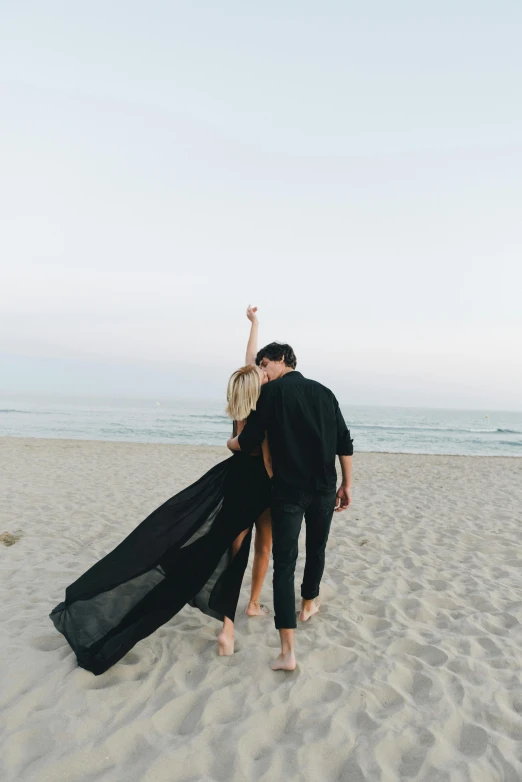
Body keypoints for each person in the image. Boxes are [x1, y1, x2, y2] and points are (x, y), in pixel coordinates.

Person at [50, 308, 273, 674]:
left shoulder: (242, 399)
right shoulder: (264, 407)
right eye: (262, 370)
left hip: (230, 480)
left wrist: (254, 326)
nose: (263, 369)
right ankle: (228, 630)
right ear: (257, 383)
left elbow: (247, 364)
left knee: (215, 549)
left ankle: (216, 613)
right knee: (232, 554)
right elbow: (263, 454)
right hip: (254, 487)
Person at [227, 342, 353, 671]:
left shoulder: (271, 394)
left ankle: (288, 653)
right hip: (325, 488)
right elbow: (344, 440)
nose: (262, 371)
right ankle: (309, 603)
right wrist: (347, 484)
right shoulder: (325, 392)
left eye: (265, 364)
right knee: (317, 548)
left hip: (287, 492)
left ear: (283, 359)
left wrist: (232, 441)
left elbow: (250, 441)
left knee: (284, 565)